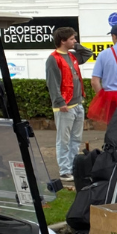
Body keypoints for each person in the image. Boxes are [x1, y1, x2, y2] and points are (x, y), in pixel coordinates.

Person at [45, 27, 85, 182]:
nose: (75, 41)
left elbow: (87, 54)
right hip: (65, 106)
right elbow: (52, 83)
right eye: (72, 39)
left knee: (75, 139)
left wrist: (76, 46)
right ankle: (64, 170)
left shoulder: (71, 55)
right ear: (63, 41)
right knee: (64, 140)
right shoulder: (53, 59)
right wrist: (60, 102)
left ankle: (72, 168)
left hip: (77, 103)